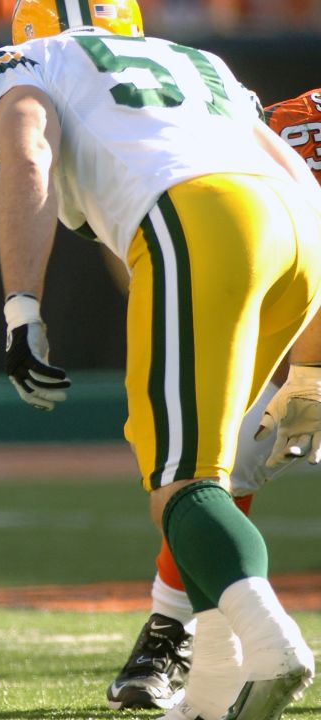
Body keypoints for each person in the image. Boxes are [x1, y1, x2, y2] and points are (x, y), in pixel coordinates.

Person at [0, 3, 321, 719]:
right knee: (227, 468)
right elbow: (297, 182)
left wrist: (21, 308)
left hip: (204, 216)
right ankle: (214, 683)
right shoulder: (198, 61)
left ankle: (271, 642)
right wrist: (310, 371)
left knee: (180, 481)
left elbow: (28, 153)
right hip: (301, 238)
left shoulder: (26, 63)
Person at [104, 85, 321, 712]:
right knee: (222, 455)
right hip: (304, 320)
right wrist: (306, 371)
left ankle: (175, 632)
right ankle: (176, 630)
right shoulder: (291, 122)